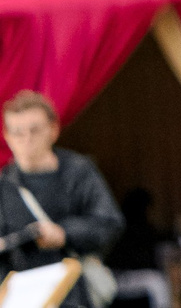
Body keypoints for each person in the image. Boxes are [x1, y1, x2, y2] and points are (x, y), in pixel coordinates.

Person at [0, 92, 122, 279]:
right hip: (21, 291)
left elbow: (109, 223)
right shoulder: (4, 184)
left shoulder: (78, 172)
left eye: (34, 130)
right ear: (7, 136)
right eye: (18, 132)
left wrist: (64, 233)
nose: (26, 139)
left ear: (53, 129)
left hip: (72, 287)